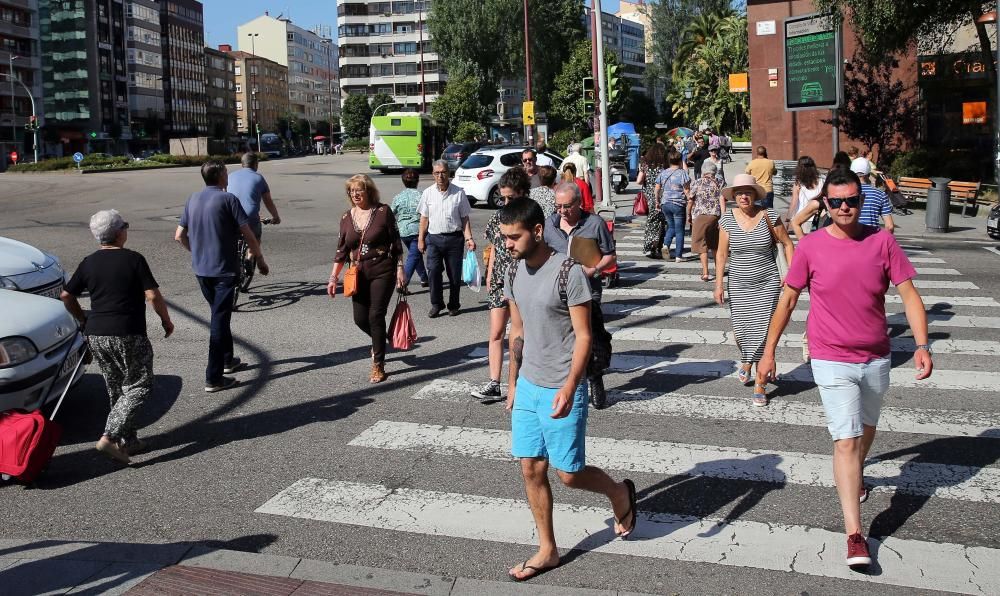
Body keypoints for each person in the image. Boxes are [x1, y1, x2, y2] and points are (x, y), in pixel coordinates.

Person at [757, 167, 933, 570]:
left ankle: (856, 472)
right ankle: (855, 534)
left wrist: (921, 345)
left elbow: (910, 296)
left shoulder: (882, 241)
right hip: (830, 356)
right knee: (847, 440)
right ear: (825, 204)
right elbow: (786, 301)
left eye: (851, 201)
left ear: (861, 200)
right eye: (835, 202)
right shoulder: (812, 247)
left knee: (866, 429)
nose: (843, 208)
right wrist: (769, 352)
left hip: (876, 357)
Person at [500, 198, 636, 581]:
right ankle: (548, 550)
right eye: (505, 237)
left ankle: (619, 493)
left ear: (537, 231)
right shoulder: (512, 272)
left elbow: (584, 337)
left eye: (515, 237)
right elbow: (518, 331)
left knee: (568, 474)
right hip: (528, 385)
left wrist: (571, 385)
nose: (508, 244)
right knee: (530, 468)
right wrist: (512, 384)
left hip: (563, 385)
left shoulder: (568, 273)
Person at [61, 210, 174, 464]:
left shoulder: (88, 262)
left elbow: (67, 296)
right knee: (140, 385)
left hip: (96, 334)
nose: (126, 229)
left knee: (116, 388)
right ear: (119, 232)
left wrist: (83, 319)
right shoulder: (133, 259)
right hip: (128, 332)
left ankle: (128, 441)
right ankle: (110, 437)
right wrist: (166, 320)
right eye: (125, 226)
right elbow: (153, 295)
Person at [175, 161, 269, 392]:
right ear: (219, 176)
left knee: (219, 315)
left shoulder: (192, 199)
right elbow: (248, 234)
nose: (228, 175)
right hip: (224, 272)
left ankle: (228, 360)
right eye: (226, 172)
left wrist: (195, 252)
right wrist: (260, 260)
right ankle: (213, 377)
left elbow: (179, 236)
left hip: (201, 271)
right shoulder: (228, 199)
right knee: (218, 321)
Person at [714, 173, 794, 406]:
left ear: (755, 195)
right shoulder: (727, 219)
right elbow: (721, 254)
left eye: (747, 192)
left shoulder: (768, 215)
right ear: (734, 197)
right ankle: (747, 360)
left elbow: (787, 244)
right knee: (741, 330)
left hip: (767, 281)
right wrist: (718, 284)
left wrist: (789, 273)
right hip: (738, 283)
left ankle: (760, 383)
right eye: (739, 193)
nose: (743, 197)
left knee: (763, 330)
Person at [543, 182, 616, 408]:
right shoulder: (549, 225)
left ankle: (595, 377)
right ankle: (566, 384)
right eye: (558, 206)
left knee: (590, 338)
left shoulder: (594, 224)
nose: (562, 211)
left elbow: (610, 256)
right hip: (557, 293)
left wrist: (593, 270)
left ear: (579, 203)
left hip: (587, 291)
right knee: (563, 339)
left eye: (567, 206)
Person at [328, 175, 406, 383]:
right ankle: (380, 339)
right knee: (360, 319)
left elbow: (395, 242)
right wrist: (333, 277)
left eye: (359, 190)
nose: (355, 194)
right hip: (358, 272)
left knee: (375, 315)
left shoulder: (383, 212)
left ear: (369, 191)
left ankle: (378, 364)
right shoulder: (346, 217)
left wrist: (400, 267)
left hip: (383, 269)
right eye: (352, 191)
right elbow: (341, 250)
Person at [472, 168, 532, 400]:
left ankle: (518, 381)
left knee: (519, 334)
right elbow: (496, 246)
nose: (506, 202)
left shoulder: (530, 216)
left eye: (511, 198)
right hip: (498, 279)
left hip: (522, 279)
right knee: (496, 332)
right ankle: (494, 383)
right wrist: (489, 273)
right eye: (503, 197)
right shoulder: (498, 216)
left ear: (523, 194)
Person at [418, 160, 476, 318]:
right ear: (433, 175)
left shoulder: (458, 193)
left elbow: (464, 218)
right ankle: (436, 304)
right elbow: (424, 218)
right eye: (437, 173)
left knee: (454, 275)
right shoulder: (428, 193)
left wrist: (468, 238)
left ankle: (454, 305)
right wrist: (420, 239)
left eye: (443, 172)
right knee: (433, 272)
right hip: (434, 239)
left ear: (449, 173)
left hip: (454, 239)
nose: (440, 176)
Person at [227, 152, 281, 246]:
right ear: (256, 164)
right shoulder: (258, 178)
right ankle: (250, 257)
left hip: (230, 216)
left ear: (242, 164)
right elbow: (268, 202)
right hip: (250, 216)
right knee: (255, 240)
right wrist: (276, 217)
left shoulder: (230, 176)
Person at [390, 169, 429, 290]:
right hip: (418, 231)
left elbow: (391, 214)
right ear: (417, 181)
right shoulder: (422, 195)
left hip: (403, 232)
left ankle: (424, 278)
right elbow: (428, 213)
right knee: (413, 256)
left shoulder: (398, 197)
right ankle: (403, 282)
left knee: (415, 254)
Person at [688, 160, 726, 281]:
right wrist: (723, 218)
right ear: (714, 172)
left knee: (701, 245)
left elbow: (690, 200)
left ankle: (705, 272)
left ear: (703, 171)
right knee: (715, 244)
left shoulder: (697, 182)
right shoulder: (720, 182)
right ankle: (718, 269)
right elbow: (722, 200)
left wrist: (688, 214)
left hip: (700, 216)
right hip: (715, 216)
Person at [654, 151, 691, 262]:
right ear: (680, 161)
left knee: (671, 226)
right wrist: (691, 200)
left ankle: (666, 244)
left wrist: (657, 201)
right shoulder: (682, 173)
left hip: (665, 203)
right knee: (680, 230)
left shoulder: (663, 173)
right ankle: (678, 255)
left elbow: (657, 188)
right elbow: (686, 190)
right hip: (678, 204)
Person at [638, 143, 668, 258]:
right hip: (662, 195)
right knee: (662, 222)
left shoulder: (645, 164)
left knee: (651, 222)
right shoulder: (664, 165)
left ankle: (650, 245)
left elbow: (639, 181)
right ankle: (659, 246)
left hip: (650, 196)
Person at [851, 158, 896, 233]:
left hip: (850, 238)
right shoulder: (880, 194)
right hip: (872, 238)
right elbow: (890, 226)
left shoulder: (846, 193)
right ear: (868, 174)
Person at [787, 156, 825, 238]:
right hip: (819, 218)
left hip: (803, 218)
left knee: (806, 244)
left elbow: (794, 202)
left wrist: (788, 218)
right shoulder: (821, 181)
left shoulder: (798, 183)